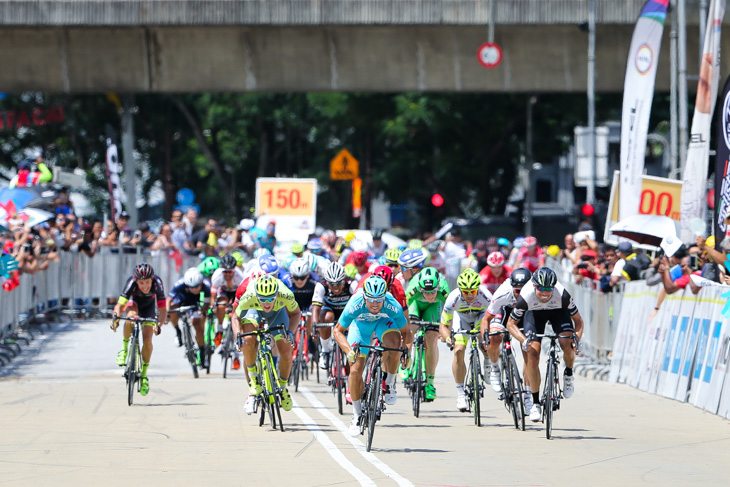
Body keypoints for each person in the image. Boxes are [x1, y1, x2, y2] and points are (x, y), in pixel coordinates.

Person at [504, 267, 584, 422]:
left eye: (549, 289)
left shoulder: (563, 295)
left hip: (558, 313)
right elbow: (510, 324)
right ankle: (535, 403)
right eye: (541, 289)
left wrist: (576, 339)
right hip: (534, 315)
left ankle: (568, 373)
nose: (545, 293)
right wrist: (523, 340)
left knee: (566, 343)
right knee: (533, 353)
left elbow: (579, 321)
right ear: (534, 286)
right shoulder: (526, 296)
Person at [333, 275, 408, 437]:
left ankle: (389, 383)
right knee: (355, 370)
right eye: (371, 299)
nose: (375, 303)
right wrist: (348, 351)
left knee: (394, 345)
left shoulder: (392, 304)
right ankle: (357, 414)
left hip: (383, 323)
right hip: (360, 327)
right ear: (364, 297)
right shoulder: (355, 303)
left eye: (379, 300)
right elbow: (337, 331)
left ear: (384, 297)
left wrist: (406, 350)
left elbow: (406, 332)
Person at [233, 275, 301, 414]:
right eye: (263, 299)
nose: (267, 302)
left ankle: (282, 388)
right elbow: (235, 316)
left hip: (277, 314)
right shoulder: (249, 296)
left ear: (277, 294)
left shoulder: (285, 294)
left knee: (286, 350)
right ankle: (253, 383)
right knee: (249, 339)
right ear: (257, 295)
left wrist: (291, 333)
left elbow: (296, 313)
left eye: (271, 298)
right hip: (254, 311)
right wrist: (238, 336)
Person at [111, 263, 168, 396]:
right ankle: (124, 349)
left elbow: (163, 310)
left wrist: (158, 325)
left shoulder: (157, 284)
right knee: (131, 317)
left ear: (152, 279)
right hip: (134, 303)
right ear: (136, 280)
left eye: (147, 282)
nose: (145, 286)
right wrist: (115, 319)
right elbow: (119, 306)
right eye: (141, 283)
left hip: (148, 307)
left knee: (147, 340)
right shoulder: (131, 283)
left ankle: (143, 375)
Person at [440, 268, 492, 411]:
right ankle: (460, 394)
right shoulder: (453, 298)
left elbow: (493, 317)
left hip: (480, 316)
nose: (469, 295)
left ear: (478, 289)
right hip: (461, 319)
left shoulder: (485, 295)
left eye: (473, 292)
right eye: (466, 292)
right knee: (458, 351)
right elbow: (444, 325)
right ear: (460, 290)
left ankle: (487, 361)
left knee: (484, 340)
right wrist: (447, 337)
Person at [480, 268, 533, 410]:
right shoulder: (503, 292)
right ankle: (495, 368)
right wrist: (486, 337)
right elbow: (486, 319)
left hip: (524, 314)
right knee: (495, 338)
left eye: (523, 290)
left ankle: (528, 395)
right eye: (516, 291)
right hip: (505, 311)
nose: (520, 294)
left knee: (529, 351)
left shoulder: (534, 293)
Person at [406, 267, 450, 401]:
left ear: (438, 287)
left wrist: (446, 332)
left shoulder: (444, 290)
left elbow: (451, 312)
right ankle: (406, 361)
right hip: (415, 303)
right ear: (420, 289)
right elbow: (403, 310)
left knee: (432, 338)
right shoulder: (412, 289)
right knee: (410, 329)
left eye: (433, 292)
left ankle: (430, 384)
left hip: (433, 307)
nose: (430, 296)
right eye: (426, 292)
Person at [311, 262, 358, 369]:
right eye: (332, 284)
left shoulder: (352, 284)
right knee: (327, 317)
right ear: (327, 282)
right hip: (330, 309)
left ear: (343, 280)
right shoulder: (321, 285)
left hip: (347, 311)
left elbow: (358, 307)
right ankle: (325, 351)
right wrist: (315, 325)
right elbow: (316, 307)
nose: (335, 287)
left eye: (338, 284)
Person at [166, 267, 211, 366]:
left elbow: (207, 304)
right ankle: (178, 331)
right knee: (173, 308)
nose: (194, 289)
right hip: (181, 299)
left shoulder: (206, 286)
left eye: (196, 287)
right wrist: (167, 314)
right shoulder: (180, 283)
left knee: (198, 325)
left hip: (195, 302)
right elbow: (168, 300)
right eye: (191, 287)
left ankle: (202, 354)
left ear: (201, 283)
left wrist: (203, 311)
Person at [209, 254, 245, 368]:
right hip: (224, 292)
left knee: (236, 318)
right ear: (221, 270)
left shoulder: (240, 276)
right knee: (220, 305)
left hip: (237, 294)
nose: (228, 274)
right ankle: (219, 330)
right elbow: (213, 297)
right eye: (225, 272)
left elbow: (243, 298)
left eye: (230, 272)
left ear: (234, 270)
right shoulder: (217, 276)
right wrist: (212, 306)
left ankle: (236, 355)